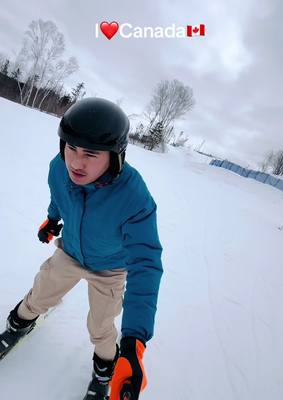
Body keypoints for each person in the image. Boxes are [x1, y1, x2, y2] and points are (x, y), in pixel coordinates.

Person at [0, 98, 163, 400]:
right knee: (40, 292)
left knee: (102, 327)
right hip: (70, 252)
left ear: (115, 156)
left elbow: (147, 262)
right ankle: (18, 324)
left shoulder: (135, 196)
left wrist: (134, 344)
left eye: (91, 153)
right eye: (71, 147)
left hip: (110, 269)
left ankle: (104, 368)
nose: (76, 162)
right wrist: (51, 219)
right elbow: (58, 196)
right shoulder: (58, 167)